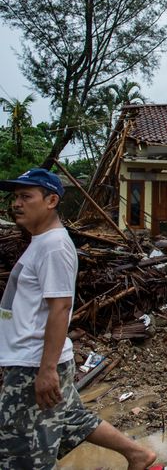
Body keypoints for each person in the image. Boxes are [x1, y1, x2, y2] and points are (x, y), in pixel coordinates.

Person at [0, 168, 157, 470]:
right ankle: (139, 455)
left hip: (34, 362)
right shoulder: (42, 241)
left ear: (51, 200)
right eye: (15, 197)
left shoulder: (54, 246)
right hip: (33, 358)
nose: (16, 204)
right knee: (72, 419)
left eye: (26, 196)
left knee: (21, 451)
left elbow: (60, 307)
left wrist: (46, 370)